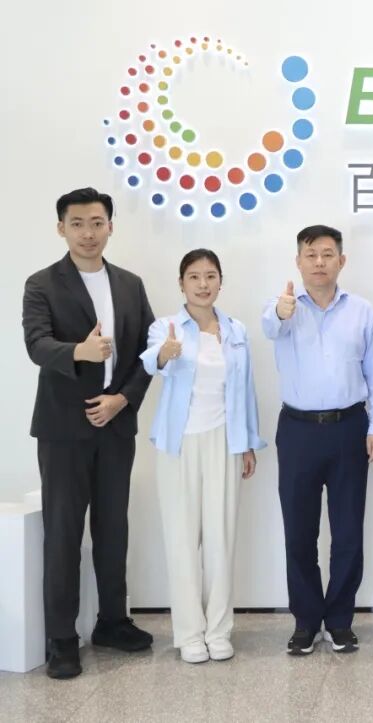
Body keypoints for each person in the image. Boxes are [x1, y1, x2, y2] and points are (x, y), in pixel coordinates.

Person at [22, 187, 156, 679]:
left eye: (97, 222)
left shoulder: (130, 284)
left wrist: (123, 399)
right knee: (62, 532)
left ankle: (112, 622)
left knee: (113, 527)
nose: (88, 233)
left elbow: (146, 353)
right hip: (63, 429)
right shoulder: (42, 283)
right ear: (61, 228)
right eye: (77, 223)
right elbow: (37, 344)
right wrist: (79, 351)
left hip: (115, 424)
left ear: (110, 227)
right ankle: (61, 638)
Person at [262, 224, 373, 655]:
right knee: (299, 531)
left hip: (349, 427)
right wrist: (281, 311)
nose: (319, 262)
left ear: (341, 260)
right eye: (311, 254)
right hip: (297, 430)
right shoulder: (283, 307)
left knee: (348, 531)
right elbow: (269, 327)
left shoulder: (362, 310)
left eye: (328, 254)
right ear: (298, 261)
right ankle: (305, 620)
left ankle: (339, 620)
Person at [141, 249, 265, 663]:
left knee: (220, 538)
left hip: (225, 440)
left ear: (220, 282)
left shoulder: (235, 330)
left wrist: (248, 442)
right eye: (194, 276)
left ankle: (219, 630)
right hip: (178, 443)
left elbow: (245, 389)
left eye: (211, 276)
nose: (203, 284)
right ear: (181, 284)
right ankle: (189, 633)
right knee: (181, 540)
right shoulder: (166, 327)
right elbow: (151, 362)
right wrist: (165, 353)